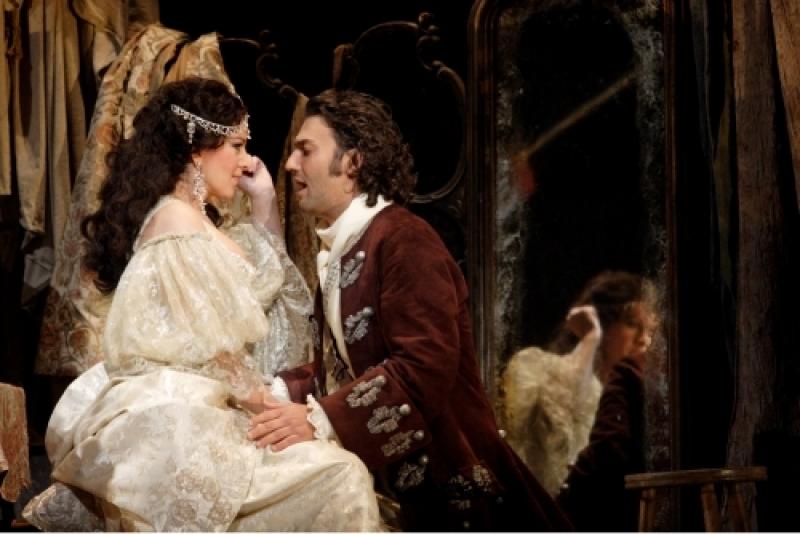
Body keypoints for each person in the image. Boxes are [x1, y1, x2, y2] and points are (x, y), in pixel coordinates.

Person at [23, 77, 380, 532]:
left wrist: (263, 201)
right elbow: (214, 350)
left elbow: (265, 284)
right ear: (197, 149)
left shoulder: (196, 222)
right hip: (188, 416)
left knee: (336, 470)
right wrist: (277, 409)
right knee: (339, 475)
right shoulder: (177, 223)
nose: (247, 160)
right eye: (236, 145)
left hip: (214, 406)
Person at [246, 89, 573, 531]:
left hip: (451, 487)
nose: (290, 164)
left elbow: (425, 364)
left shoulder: (404, 239)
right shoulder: (350, 247)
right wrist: (279, 391)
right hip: (395, 489)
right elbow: (350, 368)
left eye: (306, 150)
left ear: (353, 162)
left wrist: (321, 418)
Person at [502, 271, 659, 502]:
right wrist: (591, 337)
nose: (644, 339)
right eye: (632, 324)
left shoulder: (629, 396)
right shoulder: (538, 369)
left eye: (650, 330)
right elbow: (557, 414)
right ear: (605, 324)